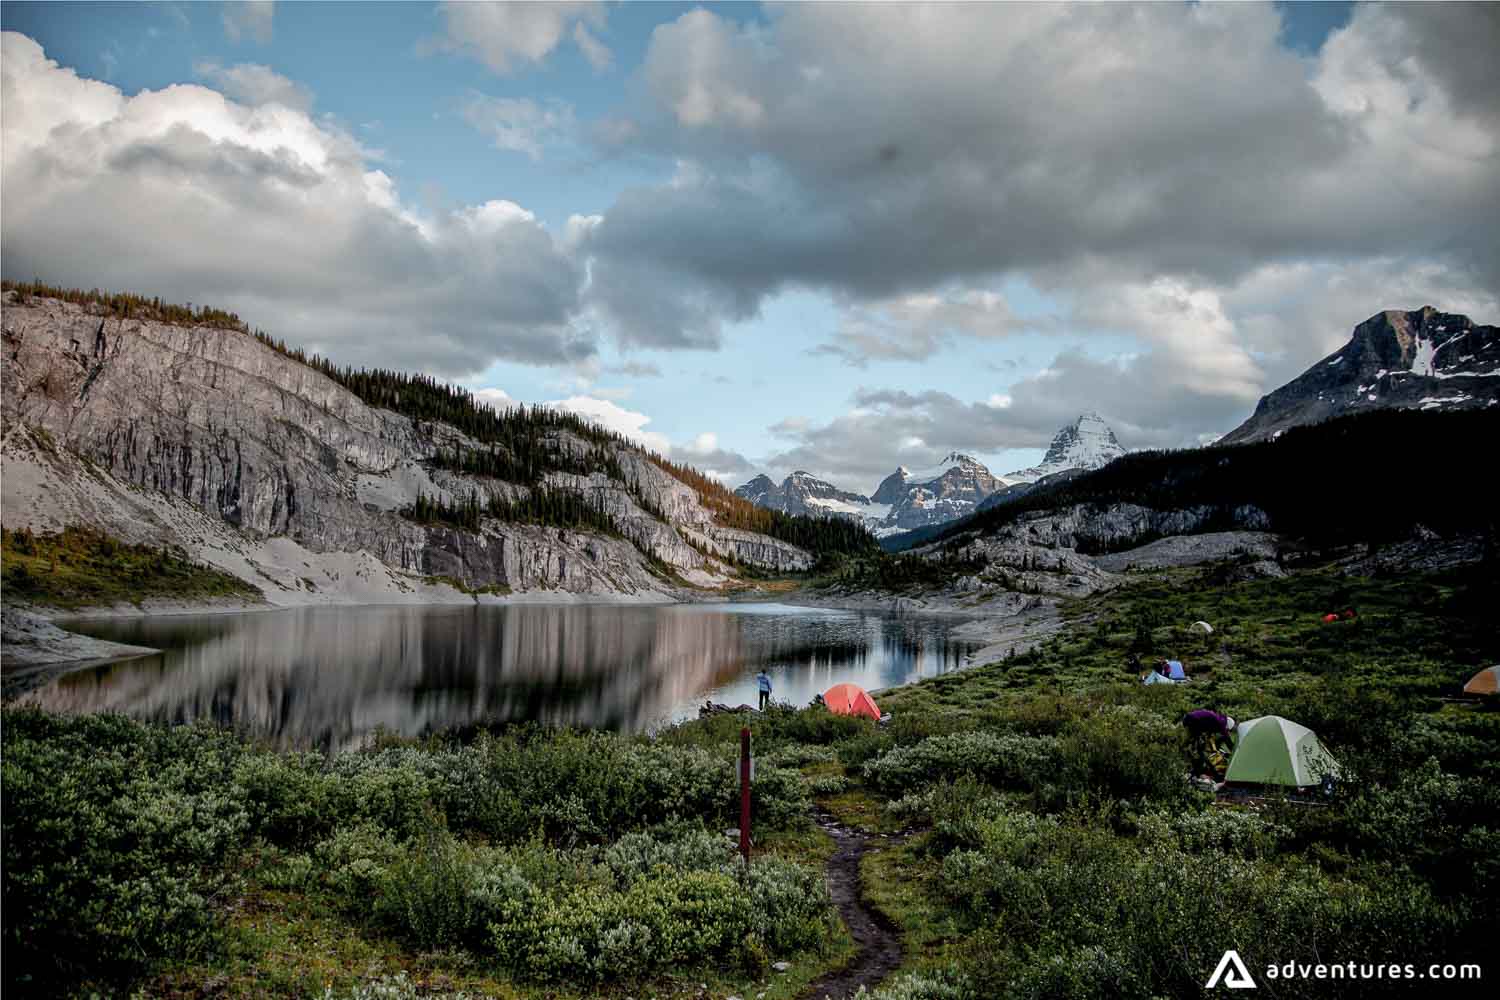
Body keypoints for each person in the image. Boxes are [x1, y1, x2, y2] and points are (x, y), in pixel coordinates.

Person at [1182, 709, 1237, 778]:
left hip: (1189, 718)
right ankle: (1195, 770)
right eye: (1228, 730)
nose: (1227, 731)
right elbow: (1227, 740)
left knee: (1198, 747)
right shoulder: (1221, 722)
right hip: (1192, 720)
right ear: (1227, 726)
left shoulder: (1216, 720)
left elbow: (1208, 735)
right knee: (1198, 749)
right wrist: (1235, 751)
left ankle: (1195, 767)